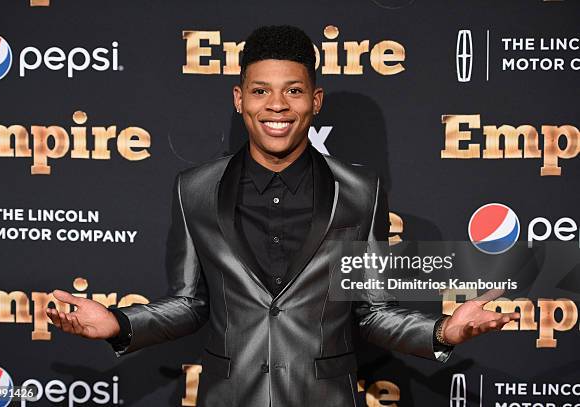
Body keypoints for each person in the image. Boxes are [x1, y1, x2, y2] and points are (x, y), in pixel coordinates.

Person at [46, 25, 519, 407]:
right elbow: (191, 303)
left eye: (293, 90)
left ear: (315, 100)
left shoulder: (360, 191)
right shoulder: (195, 188)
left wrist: (443, 331)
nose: (276, 105)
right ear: (239, 99)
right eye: (260, 91)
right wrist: (119, 323)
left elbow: (371, 313)